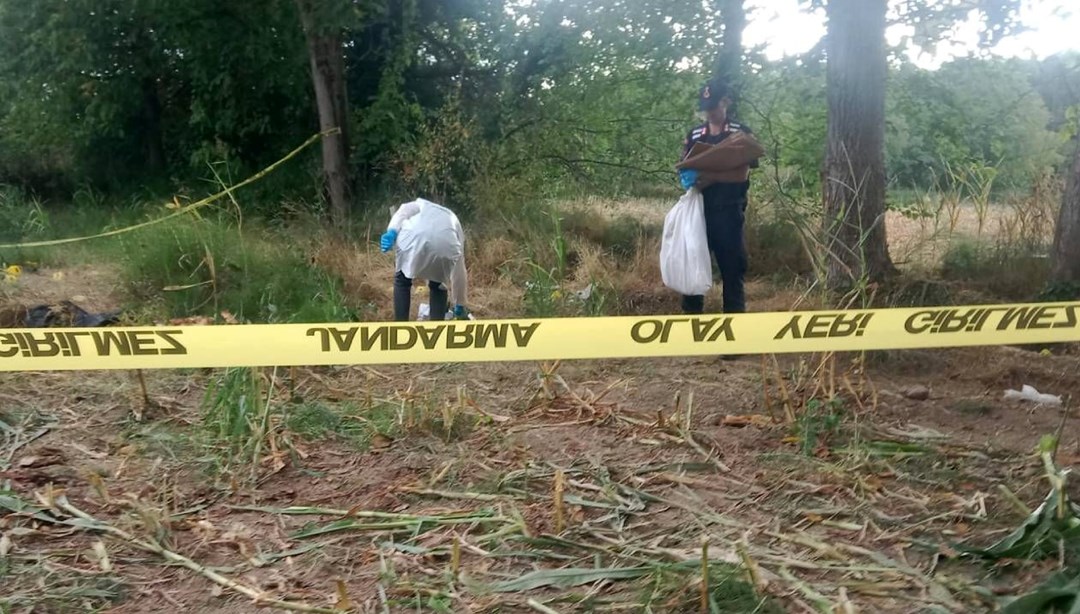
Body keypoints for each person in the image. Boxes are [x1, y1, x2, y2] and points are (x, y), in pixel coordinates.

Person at [677, 78, 758, 317]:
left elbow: (741, 174)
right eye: (706, 107)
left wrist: (709, 175)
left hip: (729, 210)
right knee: (693, 267)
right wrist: (702, 175)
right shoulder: (694, 134)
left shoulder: (740, 133)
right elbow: (685, 171)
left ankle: (732, 335)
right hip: (699, 210)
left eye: (714, 106)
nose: (709, 112)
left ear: (726, 102)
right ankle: (692, 330)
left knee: (732, 270)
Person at [379, 198, 469, 321]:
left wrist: (392, 231)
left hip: (413, 237)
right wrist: (459, 302)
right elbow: (459, 267)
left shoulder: (420, 204)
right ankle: (436, 331)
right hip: (446, 244)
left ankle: (400, 325)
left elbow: (403, 211)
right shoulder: (453, 219)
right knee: (438, 285)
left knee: (402, 281)